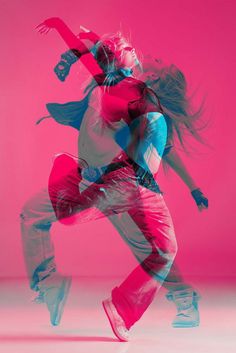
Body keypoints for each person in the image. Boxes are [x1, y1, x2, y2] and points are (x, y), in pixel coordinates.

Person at [20, 17, 205, 342]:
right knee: (164, 249)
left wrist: (71, 31)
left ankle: (51, 285)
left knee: (34, 213)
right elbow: (152, 126)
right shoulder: (133, 91)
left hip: (108, 183)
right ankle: (122, 308)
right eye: (133, 53)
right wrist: (143, 164)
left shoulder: (104, 82)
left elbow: (88, 52)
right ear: (126, 61)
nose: (141, 56)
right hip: (123, 184)